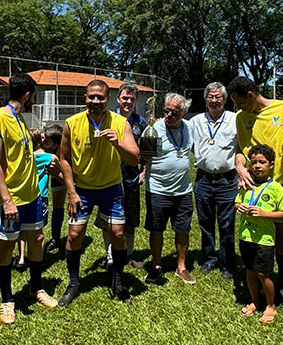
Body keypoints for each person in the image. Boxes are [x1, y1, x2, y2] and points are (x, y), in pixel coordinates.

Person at [58, 79, 139, 306]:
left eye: (100, 97)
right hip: (81, 190)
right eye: (91, 97)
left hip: (110, 188)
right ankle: (74, 282)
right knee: (74, 235)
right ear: (85, 98)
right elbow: (64, 159)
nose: (95, 101)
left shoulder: (120, 123)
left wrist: (117, 143)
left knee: (118, 235)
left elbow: (134, 158)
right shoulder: (71, 123)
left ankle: (118, 281)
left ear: (108, 99)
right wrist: (71, 192)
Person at [0, 74, 57, 324]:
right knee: (7, 246)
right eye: (34, 96)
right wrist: (6, 200)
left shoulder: (19, 118)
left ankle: (35, 288)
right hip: (11, 198)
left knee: (37, 239)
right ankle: (7, 300)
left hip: (32, 195)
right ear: (28, 95)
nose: (33, 100)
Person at [228, 77, 283, 303]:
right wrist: (239, 167)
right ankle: (259, 278)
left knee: (280, 237)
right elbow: (241, 148)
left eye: (240, 102)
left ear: (250, 96)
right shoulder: (241, 117)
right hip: (252, 185)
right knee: (255, 232)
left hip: (280, 183)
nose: (239, 108)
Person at [143, 93, 195, 285]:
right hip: (158, 189)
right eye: (166, 111)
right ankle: (156, 265)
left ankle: (181, 267)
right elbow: (143, 158)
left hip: (183, 190)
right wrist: (144, 155)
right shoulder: (153, 128)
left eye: (175, 112)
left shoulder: (189, 128)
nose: (169, 115)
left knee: (183, 229)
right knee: (157, 229)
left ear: (183, 113)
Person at [95, 83, 147, 271]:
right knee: (108, 219)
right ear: (118, 99)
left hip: (131, 178)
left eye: (132, 99)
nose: (128, 102)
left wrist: (144, 171)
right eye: (125, 98)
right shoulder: (106, 119)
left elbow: (146, 152)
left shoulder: (141, 123)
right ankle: (110, 256)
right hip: (108, 178)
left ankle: (128, 254)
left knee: (130, 219)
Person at [235, 144, 283, 323]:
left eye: (262, 162)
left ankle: (270, 305)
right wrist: (239, 206)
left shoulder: (276, 188)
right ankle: (255, 301)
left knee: (263, 274)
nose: (257, 166)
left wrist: (264, 214)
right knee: (250, 271)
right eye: (254, 162)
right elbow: (236, 202)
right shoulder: (247, 184)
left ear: (271, 165)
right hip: (245, 236)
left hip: (264, 239)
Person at [190, 82, 238, 281]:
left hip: (227, 179)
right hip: (203, 178)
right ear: (205, 99)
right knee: (205, 221)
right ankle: (210, 258)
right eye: (210, 96)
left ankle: (227, 262)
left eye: (218, 97)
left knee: (227, 223)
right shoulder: (196, 121)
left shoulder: (235, 120)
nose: (214, 100)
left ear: (224, 100)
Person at [16, 127, 61, 266]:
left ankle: (21, 258)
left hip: (23, 195)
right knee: (37, 230)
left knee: (21, 229)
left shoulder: (23, 157)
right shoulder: (51, 158)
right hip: (41, 196)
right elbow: (61, 172)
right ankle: (37, 257)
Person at [43, 123, 65, 253]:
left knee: (61, 205)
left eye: (47, 142)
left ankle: (63, 239)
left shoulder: (65, 154)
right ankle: (55, 238)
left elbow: (71, 183)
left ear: (56, 145)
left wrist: (57, 173)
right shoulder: (44, 149)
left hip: (73, 176)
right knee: (57, 205)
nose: (43, 143)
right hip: (56, 174)